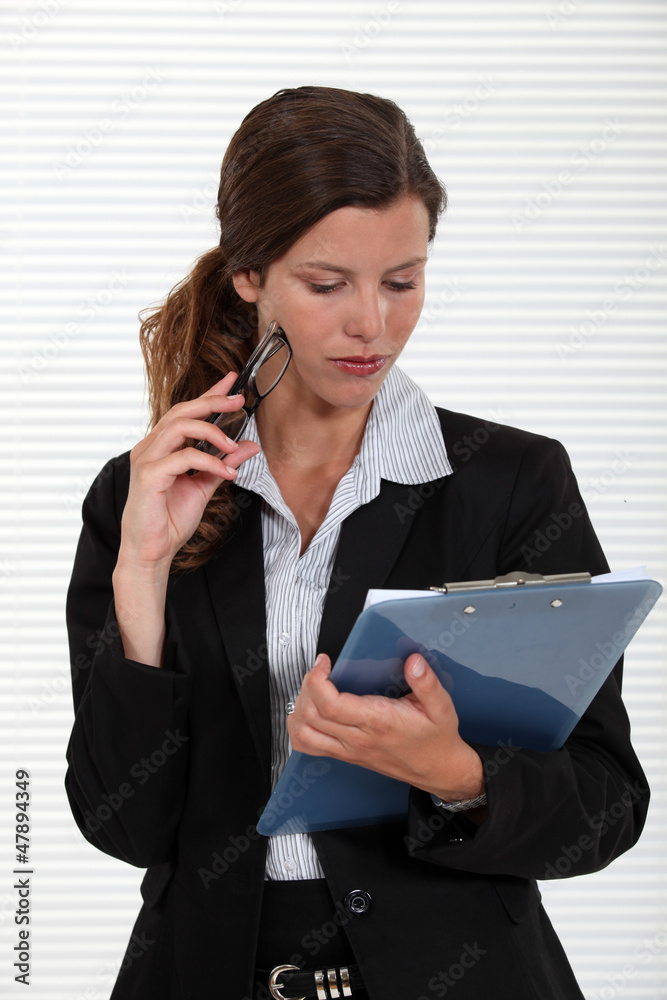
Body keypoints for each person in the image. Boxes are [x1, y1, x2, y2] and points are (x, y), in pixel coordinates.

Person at [65, 85, 649, 1000]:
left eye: (402, 281)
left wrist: (456, 776)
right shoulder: (140, 495)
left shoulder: (510, 482)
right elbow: (122, 826)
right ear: (248, 274)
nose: (370, 324)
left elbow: (605, 806)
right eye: (327, 283)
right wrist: (140, 570)